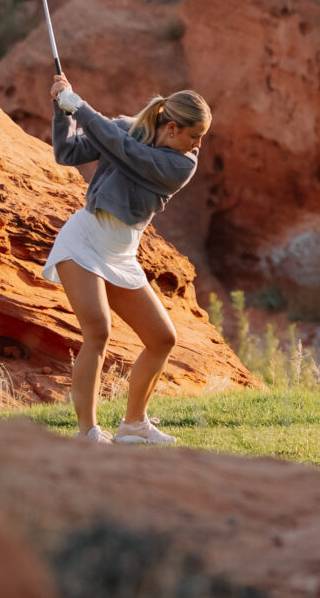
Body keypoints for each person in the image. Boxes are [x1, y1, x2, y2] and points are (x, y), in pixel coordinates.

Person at [42, 72, 212, 445]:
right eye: (193, 136)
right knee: (98, 332)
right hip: (84, 241)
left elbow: (128, 152)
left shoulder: (182, 164)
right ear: (171, 128)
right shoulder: (123, 130)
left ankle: (134, 425)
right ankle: (88, 433)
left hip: (120, 253)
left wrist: (82, 107)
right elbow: (66, 152)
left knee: (162, 338)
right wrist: (63, 109)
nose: (198, 145)